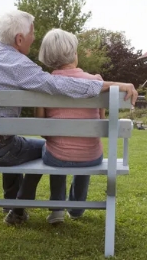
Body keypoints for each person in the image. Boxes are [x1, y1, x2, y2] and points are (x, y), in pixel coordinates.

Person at [0, 9, 138, 225]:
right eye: (32, 33)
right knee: (38, 149)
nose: (34, 38)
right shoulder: (19, 64)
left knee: (16, 143)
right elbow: (59, 84)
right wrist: (113, 85)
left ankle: (13, 205)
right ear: (19, 38)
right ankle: (18, 209)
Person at [35, 28, 106, 224]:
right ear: (74, 53)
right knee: (84, 153)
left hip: (58, 157)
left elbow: (42, 129)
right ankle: (76, 209)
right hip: (91, 156)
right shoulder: (96, 82)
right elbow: (100, 121)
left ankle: (57, 210)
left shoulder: (45, 84)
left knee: (55, 151)